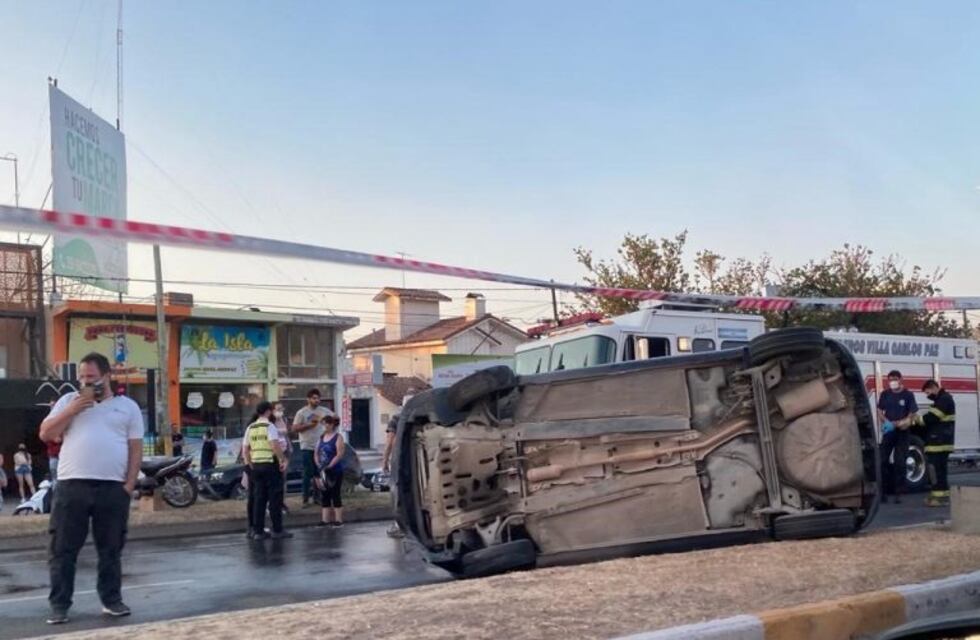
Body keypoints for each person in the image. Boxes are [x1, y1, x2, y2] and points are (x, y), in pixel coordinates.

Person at [39, 352, 143, 625]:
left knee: (110, 548)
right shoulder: (67, 401)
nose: (86, 382)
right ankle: (60, 605)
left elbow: (135, 448)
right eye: (82, 377)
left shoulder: (128, 407)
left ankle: (111, 600)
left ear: (107, 376)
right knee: (63, 548)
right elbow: (46, 433)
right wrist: (73, 409)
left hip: (112, 488)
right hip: (72, 484)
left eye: (92, 377)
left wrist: (129, 484)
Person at [243, 401, 292, 540]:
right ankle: (277, 530)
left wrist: (250, 464)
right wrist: (282, 459)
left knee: (259, 499)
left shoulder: (251, 427)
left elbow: (245, 449)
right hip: (270, 465)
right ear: (269, 411)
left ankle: (258, 531)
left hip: (256, 466)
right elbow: (274, 445)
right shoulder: (269, 426)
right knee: (275, 498)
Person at [877, 370, 918, 503]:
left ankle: (899, 492)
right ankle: (882, 492)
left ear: (901, 379)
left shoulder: (908, 395)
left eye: (895, 379)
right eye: (890, 379)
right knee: (882, 460)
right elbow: (879, 410)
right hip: (889, 431)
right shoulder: (885, 394)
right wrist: (886, 422)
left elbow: (912, 412)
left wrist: (904, 422)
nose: (892, 381)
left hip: (902, 431)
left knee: (900, 461)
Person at [915, 380, 955, 507]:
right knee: (940, 472)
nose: (928, 395)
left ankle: (939, 499)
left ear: (933, 388)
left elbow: (932, 418)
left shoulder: (944, 399)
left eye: (928, 392)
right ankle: (942, 497)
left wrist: (917, 420)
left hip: (939, 442)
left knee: (936, 471)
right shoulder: (941, 399)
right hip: (940, 441)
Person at [292, 389, 330, 507]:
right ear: (308, 399)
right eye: (314, 398)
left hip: (320, 446)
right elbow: (294, 428)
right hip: (307, 446)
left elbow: (335, 419)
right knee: (308, 473)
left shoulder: (323, 411)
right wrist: (309, 425)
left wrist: (328, 429)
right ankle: (305, 499)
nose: (316, 400)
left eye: (318, 398)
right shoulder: (302, 412)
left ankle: (317, 497)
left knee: (319, 472)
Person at [314, 415, 346, 527]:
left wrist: (331, 465)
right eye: (323, 423)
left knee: (335, 494)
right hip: (323, 470)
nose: (325, 426)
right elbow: (316, 452)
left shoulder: (338, 437)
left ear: (332, 425)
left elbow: (340, 454)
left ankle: (338, 520)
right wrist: (318, 464)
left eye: (327, 423)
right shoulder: (321, 437)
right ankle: (325, 520)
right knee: (325, 494)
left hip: (335, 470)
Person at [382, 413, 404, 538]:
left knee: (398, 493)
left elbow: (390, 441)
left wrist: (384, 460)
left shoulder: (396, 418)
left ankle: (399, 525)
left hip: (399, 460)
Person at [272, 403, 291, 513]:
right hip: (275, 452)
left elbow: (287, 433)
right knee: (275, 479)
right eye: (278, 409)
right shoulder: (270, 422)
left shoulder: (284, 419)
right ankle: (273, 502)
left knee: (283, 479)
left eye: (281, 409)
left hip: (285, 450)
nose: (280, 411)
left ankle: (281, 502)